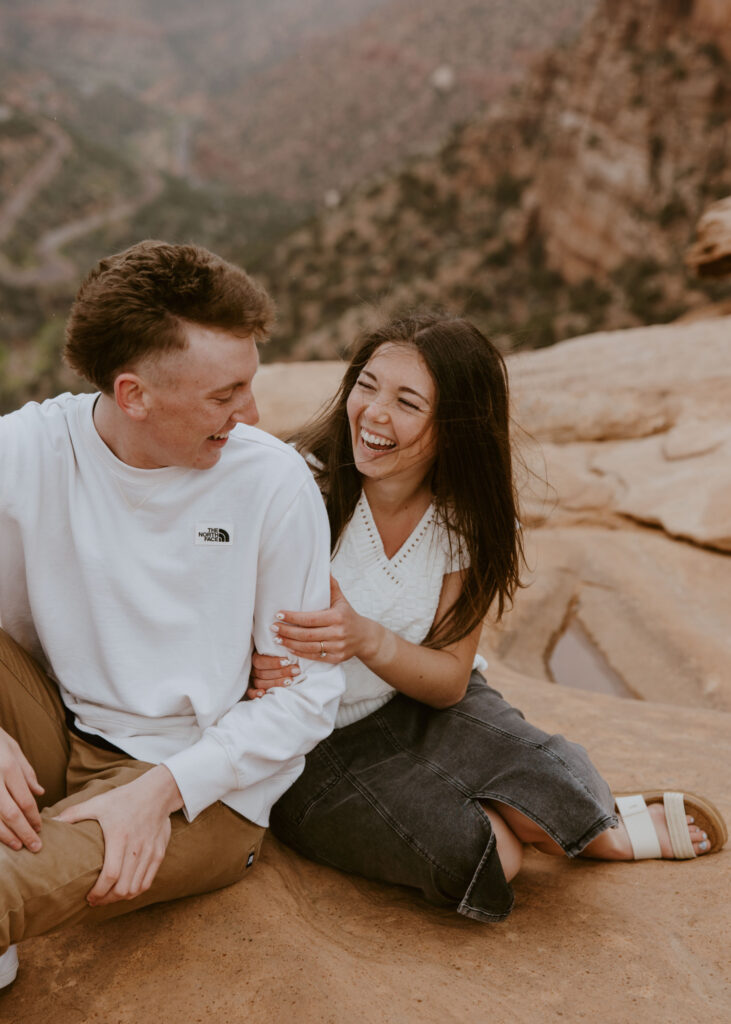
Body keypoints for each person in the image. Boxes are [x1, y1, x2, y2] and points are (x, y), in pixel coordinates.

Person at [247, 313, 727, 922]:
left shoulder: (462, 517)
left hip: (421, 703)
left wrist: (365, 637)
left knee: (556, 781)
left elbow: (448, 681)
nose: (372, 413)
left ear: (454, 427)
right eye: (366, 385)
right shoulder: (298, 486)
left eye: (407, 402)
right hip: (312, 741)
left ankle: (591, 827)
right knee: (486, 853)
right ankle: (545, 821)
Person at [0, 240, 344, 989]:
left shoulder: (272, 485)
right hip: (55, 733)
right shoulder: (28, 447)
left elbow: (309, 693)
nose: (250, 414)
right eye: (224, 395)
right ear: (134, 396)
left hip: (200, 790)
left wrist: (154, 795)